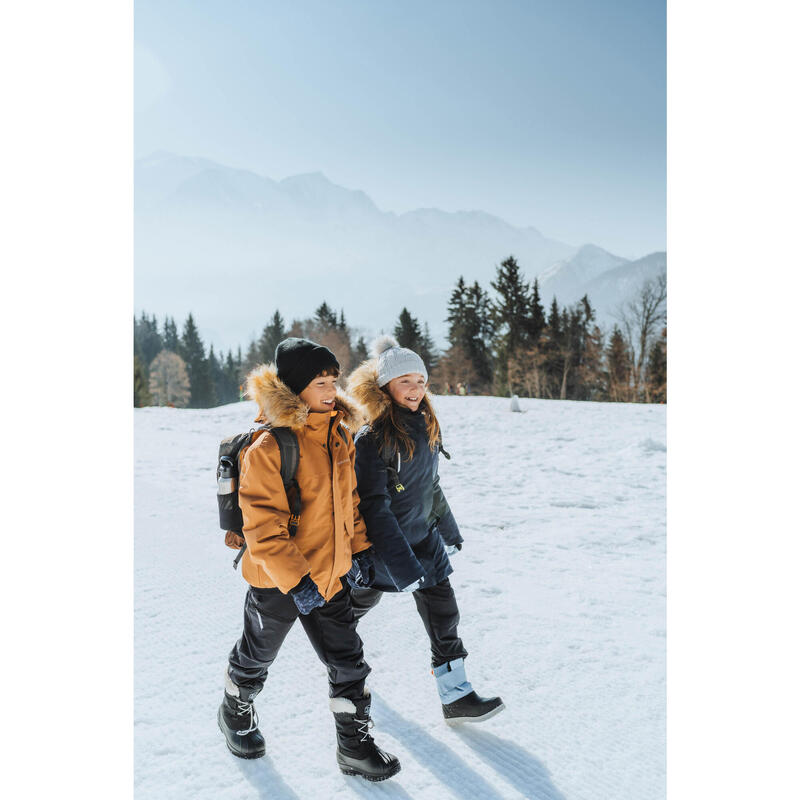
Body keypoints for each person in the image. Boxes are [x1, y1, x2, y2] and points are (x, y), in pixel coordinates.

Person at [218, 337, 400, 782]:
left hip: (331, 576)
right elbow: (262, 528)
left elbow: (349, 503)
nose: (330, 390)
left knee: (349, 662)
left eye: (333, 380)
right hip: (276, 581)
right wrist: (295, 581)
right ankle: (235, 710)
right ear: (296, 389)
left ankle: (354, 748)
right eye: (320, 382)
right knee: (257, 655)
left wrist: (359, 551)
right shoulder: (270, 447)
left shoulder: (338, 433)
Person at [346, 336, 505, 724]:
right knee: (351, 610)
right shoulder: (372, 439)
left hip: (424, 538)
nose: (416, 389)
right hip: (382, 549)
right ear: (385, 387)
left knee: (444, 614)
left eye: (421, 380)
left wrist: (448, 530)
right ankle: (341, 664)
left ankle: (457, 697)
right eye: (405, 381)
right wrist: (400, 564)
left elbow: (429, 484)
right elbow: (375, 507)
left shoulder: (426, 424)